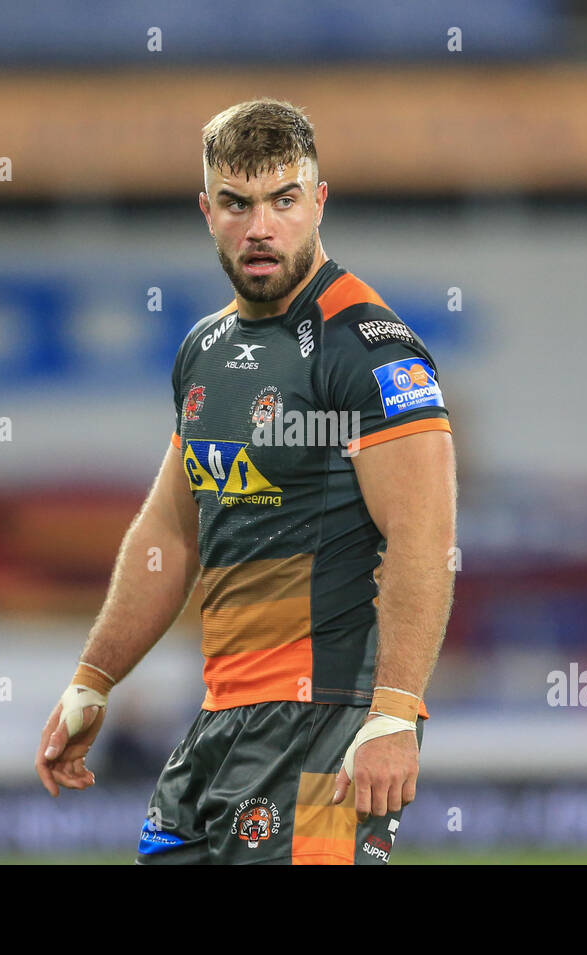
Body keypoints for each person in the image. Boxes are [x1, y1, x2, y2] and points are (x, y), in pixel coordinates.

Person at [36, 98, 457, 865]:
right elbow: (169, 529)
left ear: (318, 201)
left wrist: (394, 711)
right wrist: (95, 678)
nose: (259, 226)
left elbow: (422, 537)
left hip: (326, 718)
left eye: (282, 201)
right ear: (207, 210)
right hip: (224, 715)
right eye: (237, 203)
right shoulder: (202, 349)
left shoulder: (369, 348)